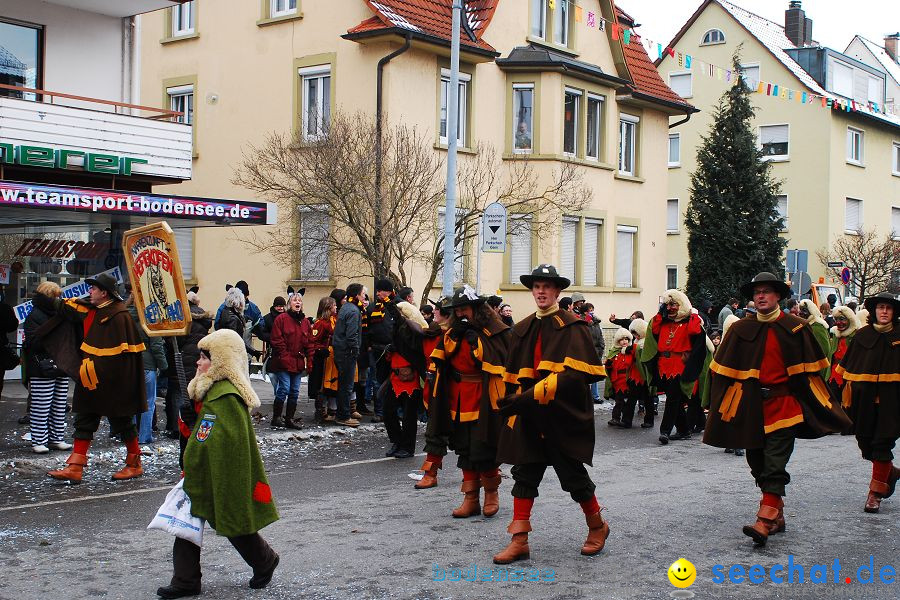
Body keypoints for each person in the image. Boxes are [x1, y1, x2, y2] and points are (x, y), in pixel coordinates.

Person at [703, 272, 851, 547]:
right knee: (756, 463)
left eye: (767, 292)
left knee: (774, 462)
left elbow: (812, 373)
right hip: (750, 407)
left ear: (778, 297)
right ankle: (777, 511)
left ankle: (765, 517)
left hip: (785, 406)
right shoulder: (739, 329)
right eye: (757, 292)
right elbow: (722, 373)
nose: (761, 296)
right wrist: (715, 404)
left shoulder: (796, 327)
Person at [494, 265, 608, 564]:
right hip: (530, 417)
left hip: (562, 416)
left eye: (547, 286)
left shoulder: (574, 327)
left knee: (573, 477)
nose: (541, 291)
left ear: (557, 292)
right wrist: (512, 404)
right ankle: (519, 540)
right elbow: (514, 375)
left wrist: (530, 396)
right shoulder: (523, 327)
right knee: (524, 474)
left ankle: (597, 527)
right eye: (536, 286)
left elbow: (576, 376)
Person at [156, 329, 279, 599]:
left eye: (204, 357)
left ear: (221, 361)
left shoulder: (225, 396)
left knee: (233, 521)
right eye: (199, 357)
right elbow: (199, 435)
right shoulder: (208, 390)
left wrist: (194, 426)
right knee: (187, 522)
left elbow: (219, 439)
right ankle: (186, 580)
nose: (198, 363)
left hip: (219, 470)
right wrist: (189, 421)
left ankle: (264, 560)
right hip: (201, 469)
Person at [40, 272, 148, 482]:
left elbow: (126, 357)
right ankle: (75, 467)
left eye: (93, 289)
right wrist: (46, 298)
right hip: (91, 377)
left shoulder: (120, 315)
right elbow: (67, 309)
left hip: (113, 383)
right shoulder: (93, 310)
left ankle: (134, 464)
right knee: (84, 420)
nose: (89, 292)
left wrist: (115, 382)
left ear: (104, 293)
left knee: (123, 423)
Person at [428, 285, 509, 518]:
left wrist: (476, 343)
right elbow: (441, 357)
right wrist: (456, 337)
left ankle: (491, 495)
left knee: (483, 448)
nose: (462, 313)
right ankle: (471, 498)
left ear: (477, 309)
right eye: (459, 310)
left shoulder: (493, 331)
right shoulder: (452, 332)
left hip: (484, 398)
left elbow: (494, 360)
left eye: (466, 309)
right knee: (464, 448)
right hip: (458, 398)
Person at [833, 293, 900, 514]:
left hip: (892, 402)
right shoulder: (862, 336)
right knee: (866, 443)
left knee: (882, 443)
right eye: (881, 308)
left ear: (894, 312)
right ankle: (889, 472)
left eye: (888, 308)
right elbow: (848, 370)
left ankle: (875, 493)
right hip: (864, 401)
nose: (884, 312)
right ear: (874, 311)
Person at [641, 290, 707, 445]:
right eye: (667, 304)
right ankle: (684, 430)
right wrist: (661, 312)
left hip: (680, 366)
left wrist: (693, 316)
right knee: (674, 399)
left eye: (673, 304)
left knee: (672, 398)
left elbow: (696, 334)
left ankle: (665, 431)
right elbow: (654, 330)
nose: (670, 308)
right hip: (663, 365)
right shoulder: (663, 321)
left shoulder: (691, 321)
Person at [24, 282, 72, 454]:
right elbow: (32, 343)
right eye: (55, 296)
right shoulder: (34, 316)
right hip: (41, 367)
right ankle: (39, 439)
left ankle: (56, 438)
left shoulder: (60, 314)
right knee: (41, 406)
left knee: (59, 404)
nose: (58, 299)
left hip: (61, 364)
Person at [382, 300, 429, 459]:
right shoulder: (398, 330)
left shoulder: (413, 334)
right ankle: (397, 441)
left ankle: (408, 447)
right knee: (388, 411)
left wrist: (391, 306)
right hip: (395, 377)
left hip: (411, 378)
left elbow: (412, 348)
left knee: (409, 415)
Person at [415, 296, 451, 489]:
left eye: (437, 309)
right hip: (436, 388)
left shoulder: (458, 334)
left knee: (471, 438)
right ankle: (431, 473)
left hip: (459, 391)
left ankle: (483, 478)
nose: (433, 312)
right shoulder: (430, 334)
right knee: (435, 431)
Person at [176, 291, 213, 467]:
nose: (199, 362)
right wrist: (187, 416)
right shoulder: (196, 388)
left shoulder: (219, 393)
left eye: (204, 358)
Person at [127, 293, 168, 446]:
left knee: (132, 402)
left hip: (130, 364)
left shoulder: (127, 317)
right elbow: (156, 346)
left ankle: (129, 436)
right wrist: (164, 366)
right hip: (148, 365)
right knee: (148, 402)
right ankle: (144, 436)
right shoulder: (151, 318)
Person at [269, 293, 311, 429]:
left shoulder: (305, 322)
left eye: (299, 300)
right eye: (294, 300)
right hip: (283, 361)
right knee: (284, 388)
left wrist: (309, 358)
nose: (297, 302)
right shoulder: (282, 319)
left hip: (297, 362)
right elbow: (276, 339)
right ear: (289, 303)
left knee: (294, 391)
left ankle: (289, 419)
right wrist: (285, 356)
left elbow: (308, 342)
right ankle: (276, 417)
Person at [332, 283, 365, 428]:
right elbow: (351, 335)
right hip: (346, 352)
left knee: (344, 384)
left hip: (341, 350)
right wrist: (355, 349)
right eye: (363, 293)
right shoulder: (353, 311)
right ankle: (343, 416)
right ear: (357, 295)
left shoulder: (346, 307)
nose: (364, 296)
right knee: (346, 385)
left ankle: (343, 413)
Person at [308, 297, 337, 424]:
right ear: (328, 308)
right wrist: (321, 350)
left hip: (329, 357)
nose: (336, 308)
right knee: (320, 385)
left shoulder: (332, 321)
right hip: (321, 358)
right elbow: (313, 341)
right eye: (334, 306)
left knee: (327, 384)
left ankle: (327, 411)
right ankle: (319, 412)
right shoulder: (320, 323)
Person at [253, 296, 287, 398]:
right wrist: (273, 338)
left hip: (285, 351)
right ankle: (278, 392)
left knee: (283, 375)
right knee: (272, 375)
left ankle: (279, 395)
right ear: (274, 306)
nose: (280, 308)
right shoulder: (267, 318)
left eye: (282, 306)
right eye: (278, 306)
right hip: (272, 351)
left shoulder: (288, 317)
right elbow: (262, 334)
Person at [216, 288, 262, 360]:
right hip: (231, 356)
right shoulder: (232, 319)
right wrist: (252, 351)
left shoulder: (227, 312)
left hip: (227, 354)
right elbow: (236, 341)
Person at [827, 306, 858, 403]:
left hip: (848, 375)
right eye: (836, 319)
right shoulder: (836, 335)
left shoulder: (857, 336)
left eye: (842, 319)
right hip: (834, 374)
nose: (838, 322)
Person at [605, 328, 635, 428]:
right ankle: (616, 418)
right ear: (618, 341)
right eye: (622, 339)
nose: (624, 341)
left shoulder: (631, 351)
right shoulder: (614, 352)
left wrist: (627, 352)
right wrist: (608, 364)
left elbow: (630, 363)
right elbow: (610, 367)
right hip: (617, 381)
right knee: (619, 401)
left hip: (628, 380)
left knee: (625, 401)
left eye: (626, 339)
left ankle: (622, 418)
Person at [798, 299, 831, 380]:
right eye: (800, 310)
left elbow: (825, 350)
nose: (801, 313)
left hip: (816, 370)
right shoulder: (807, 325)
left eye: (804, 310)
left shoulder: (817, 326)